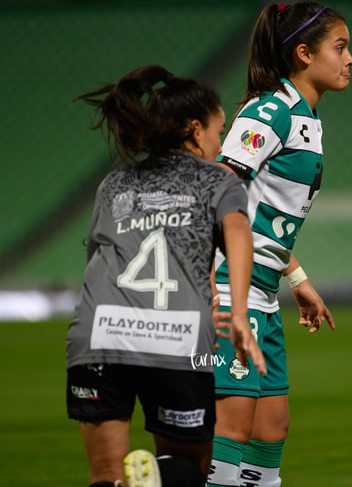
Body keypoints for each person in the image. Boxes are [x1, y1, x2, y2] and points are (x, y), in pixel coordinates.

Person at [65, 64, 266, 487]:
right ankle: (160, 477)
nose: (220, 141)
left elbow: (99, 259)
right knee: (189, 464)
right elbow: (237, 233)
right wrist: (241, 311)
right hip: (178, 338)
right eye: (219, 129)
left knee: (105, 474)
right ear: (196, 130)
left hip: (100, 333)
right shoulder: (217, 180)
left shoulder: (114, 182)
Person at [207, 1, 352, 487]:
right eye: (341, 47)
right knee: (233, 430)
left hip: (263, 296)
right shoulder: (270, 111)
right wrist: (210, 287)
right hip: (232, 290)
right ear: (305, 54)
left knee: (272, 429)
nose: (350, 58)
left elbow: (258, 218)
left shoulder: (305, 118)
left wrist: (297, 278)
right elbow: (215, 195)